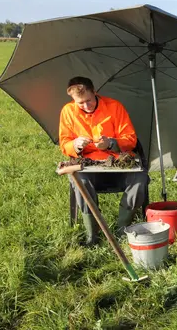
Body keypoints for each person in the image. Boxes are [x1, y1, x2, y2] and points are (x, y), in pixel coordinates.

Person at [59, 76, 148, 246]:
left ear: (95, 92)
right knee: (80, 182)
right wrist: (75, 145)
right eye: (80, 103)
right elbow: (65, 144)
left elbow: (130, 139)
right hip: (88, 167)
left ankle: (122, 229)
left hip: (118, 165)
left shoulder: (114, 107)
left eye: (89, 100)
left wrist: (111, 143)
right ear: (73, 100)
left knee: (140, 179)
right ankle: (93, 234)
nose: (86, 106)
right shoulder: (67, 111)